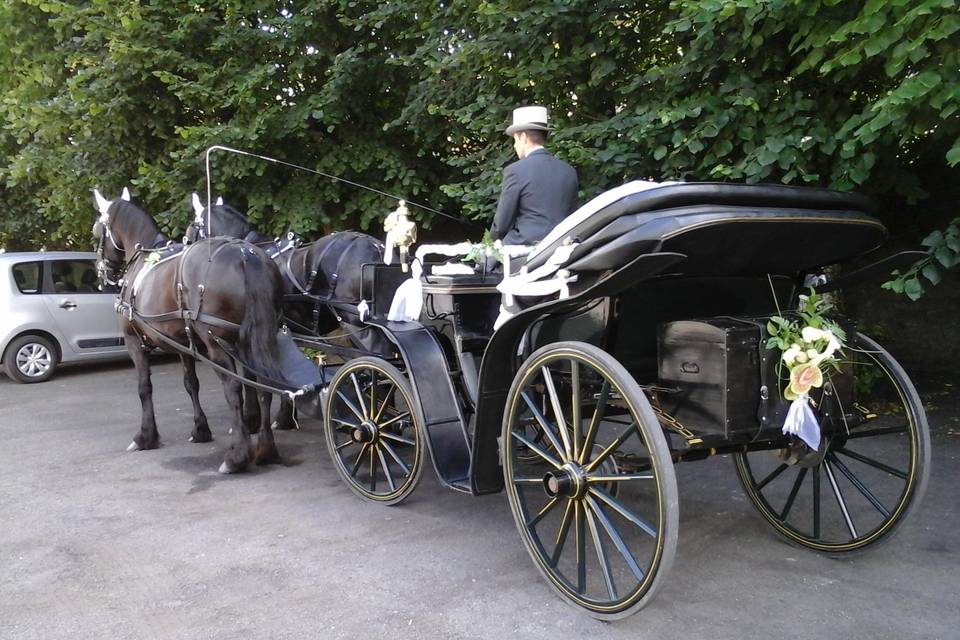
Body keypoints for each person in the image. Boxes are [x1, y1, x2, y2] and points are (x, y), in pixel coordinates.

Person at [490, 105, 579, 247]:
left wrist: (492, 242)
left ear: (523, 137)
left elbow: (501, 225)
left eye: (515, 140)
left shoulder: (515, 171)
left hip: (524, 247)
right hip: (561, 245)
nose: (515, 146)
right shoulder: (568, 171)